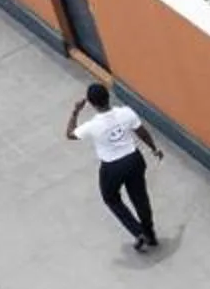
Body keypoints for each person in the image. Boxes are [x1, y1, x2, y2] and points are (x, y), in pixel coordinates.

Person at [66, 84, 162, 251]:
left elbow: (70, 134)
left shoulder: (92, 125)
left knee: (111, 198)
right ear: (108, 97)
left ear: (91, 103)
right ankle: (150, 234)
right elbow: (141, 132)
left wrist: (76, 111)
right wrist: (154, 148)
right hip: (134, 159)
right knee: (140, 198)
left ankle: (139, 232)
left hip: (112, 167)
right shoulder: (126, 112)